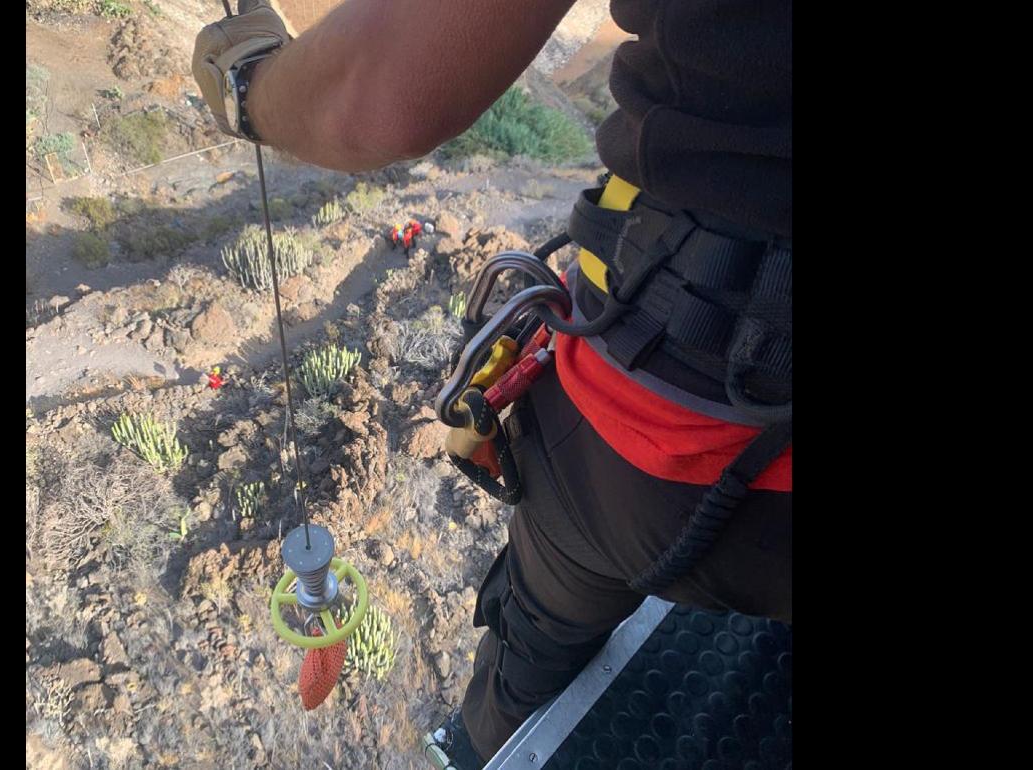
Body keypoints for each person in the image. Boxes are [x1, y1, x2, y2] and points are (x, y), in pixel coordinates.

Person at [192, 1, 791, 766]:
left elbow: (379, 91)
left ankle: (484, 740)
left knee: (536, 637)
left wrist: (248, 87)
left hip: (638, 444)